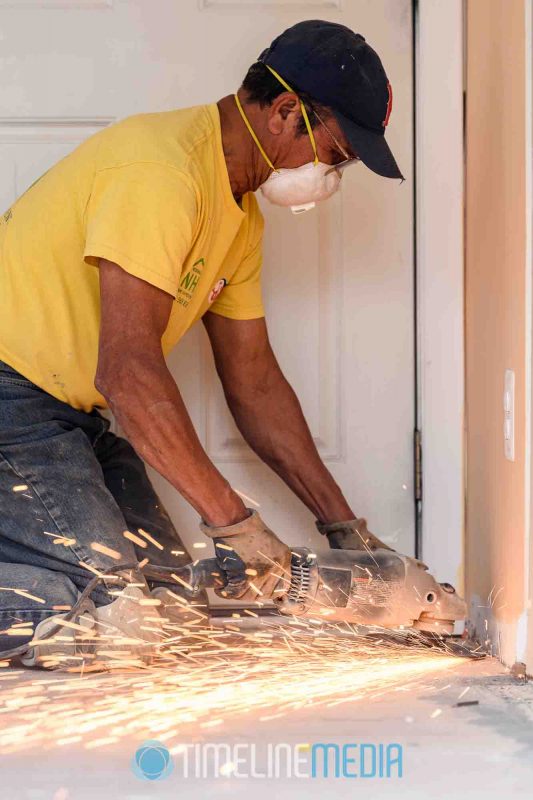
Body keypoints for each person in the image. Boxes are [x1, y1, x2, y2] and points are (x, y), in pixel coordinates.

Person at [0, 20, 403, 666]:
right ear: (281, 113)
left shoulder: (238, 217)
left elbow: (254, 383)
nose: (331, 177)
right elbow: (127, 374)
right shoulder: (161, 172)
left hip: (64, 416)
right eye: (334, 155)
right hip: (9, 397)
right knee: (106, 623)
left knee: (166, 611)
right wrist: (234, 525)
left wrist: (343, 529)